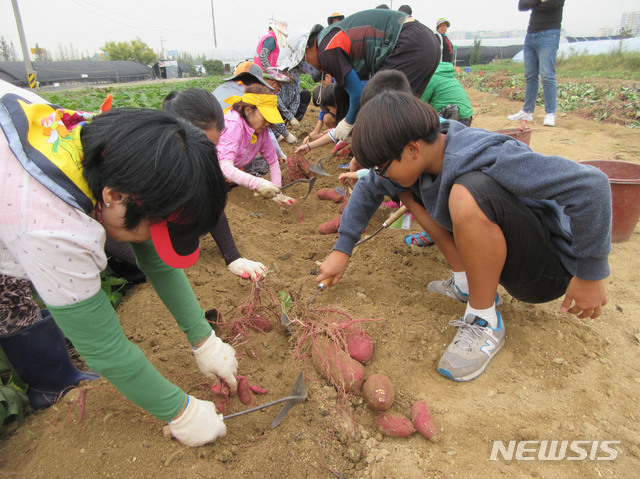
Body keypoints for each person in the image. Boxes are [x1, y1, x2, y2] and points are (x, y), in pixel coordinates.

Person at [0, 80, 240, 447]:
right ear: (113, 196)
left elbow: (156, 260)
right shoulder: (52, 224)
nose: (155, 238)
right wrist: (181, 412)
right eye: (156, 227)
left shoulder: (113, 147)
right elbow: (103, 346)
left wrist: (203, 338)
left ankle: (49, 380)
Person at [318, 90, 611, 382]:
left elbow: (592, 185)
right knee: (405, 188)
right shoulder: (425, 155)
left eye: (382, 167)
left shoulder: (486, 153)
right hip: (510, 252)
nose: (380, 175)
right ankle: (466, 284)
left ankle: (484, 319)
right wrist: (342, 249)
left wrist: (590, 274)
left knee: (466, 192)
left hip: (546, 271)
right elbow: (371, 187)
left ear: (412, 149)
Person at [162, 88, 268, 280]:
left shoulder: (197, 157)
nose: (206, 151)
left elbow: (210, 197)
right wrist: (153, 262)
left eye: (211, 146)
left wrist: (233, 257)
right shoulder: (149, 163)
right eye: (201, 144)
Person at [303, 8, 441, 140]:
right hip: (427, 41)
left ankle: (379, 159)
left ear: (308, 49)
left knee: (381, 105)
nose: (308, 66)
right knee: (405, 110)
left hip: (408, 41)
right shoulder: (329, 37)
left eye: (304, 60)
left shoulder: (326, 49)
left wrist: (347, 123)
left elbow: (358, 95)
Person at [217, 84, 295, 205]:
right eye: (265, 116)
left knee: (263, 165)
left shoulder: (262, 131)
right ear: (248, 110)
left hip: (236, 167)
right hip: (214, 169)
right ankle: (224, 185)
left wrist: (277, 193)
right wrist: (257, 183)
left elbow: (273, 162)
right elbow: (225, 166)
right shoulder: (233, 124)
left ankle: (232, 182)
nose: (268, 122)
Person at [508, 0, 564, 127]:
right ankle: (527, 111)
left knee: (547, 75)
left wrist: (534, 3)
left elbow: (553, 4)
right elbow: (522, 5)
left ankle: (550, 113)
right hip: (531, 34)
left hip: (549, 34)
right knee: (530, 75)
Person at [294, 82, 350, 156]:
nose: (329, 111)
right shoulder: (346, 112)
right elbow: (331, 133)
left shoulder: (352, 116)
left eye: (329, 108)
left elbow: (335, 133)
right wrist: (309, 142)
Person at [420, 62, 474, 126]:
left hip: (453, 118)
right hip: (467, 116)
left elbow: (420, 102)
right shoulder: (450, 77)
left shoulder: (432, 78)